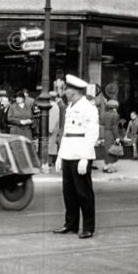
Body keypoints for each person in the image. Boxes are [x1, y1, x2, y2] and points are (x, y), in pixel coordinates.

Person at [53, 74, 99, 239]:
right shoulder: (70, 107)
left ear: (75, 91)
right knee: (69, 193)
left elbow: (92, 133)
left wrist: (85, 157)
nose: (65, 92)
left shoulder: (89, 108)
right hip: (68, 153)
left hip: (81, 154)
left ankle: (88, 227)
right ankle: (71, 224)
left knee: (84, 193)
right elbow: (66, 133)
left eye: (67, 89)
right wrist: (60, 156)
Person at [100, 99, 120, 173]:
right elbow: (115, 127)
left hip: (106, 132)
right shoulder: (115, 115)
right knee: (111, 150)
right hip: (111, 133)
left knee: (107, 150)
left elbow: (101, 124)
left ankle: (105, 166)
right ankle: (110, 167)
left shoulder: (105, 114)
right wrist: (117, 137)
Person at [47, 91, 61, 172]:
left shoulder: (54, 106)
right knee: (51, 146)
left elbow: (53, 119)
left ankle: (50, 162)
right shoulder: (54, 105)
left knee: (51, 145)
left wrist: (50, 129)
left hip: (52, 128)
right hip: (52, 128)